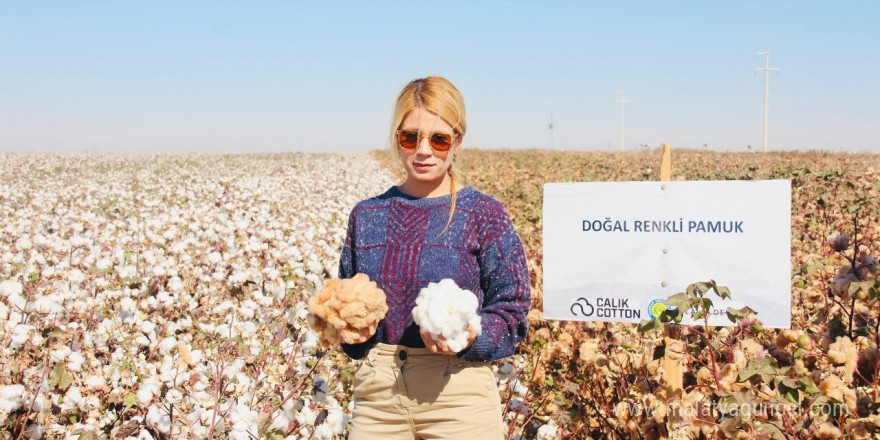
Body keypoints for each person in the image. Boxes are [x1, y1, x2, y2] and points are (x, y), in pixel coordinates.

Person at [337, 76, 532, 440]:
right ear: (396, 139)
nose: (423, 150)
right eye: (410, 137)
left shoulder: (483, 214)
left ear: (458, 141)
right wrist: (351, 331)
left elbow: (514, 310)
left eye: (438, 139)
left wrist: (473, 335)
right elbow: (350, 316)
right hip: (380, 394)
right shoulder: (367, 216)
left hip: (459, 392)